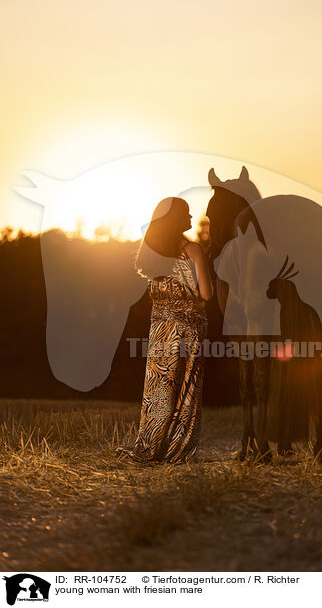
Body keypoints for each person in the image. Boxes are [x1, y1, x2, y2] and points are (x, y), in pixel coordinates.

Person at [116, 197, 213, 464]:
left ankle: (151, 444)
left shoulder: (151, 252)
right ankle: (176, 448)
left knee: (158, 389)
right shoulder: (193, 249)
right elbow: (206, 292)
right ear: (175, 219)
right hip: (188, 328)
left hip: (160, 328)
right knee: (186, 389)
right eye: (187, 214)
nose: (192, 219)